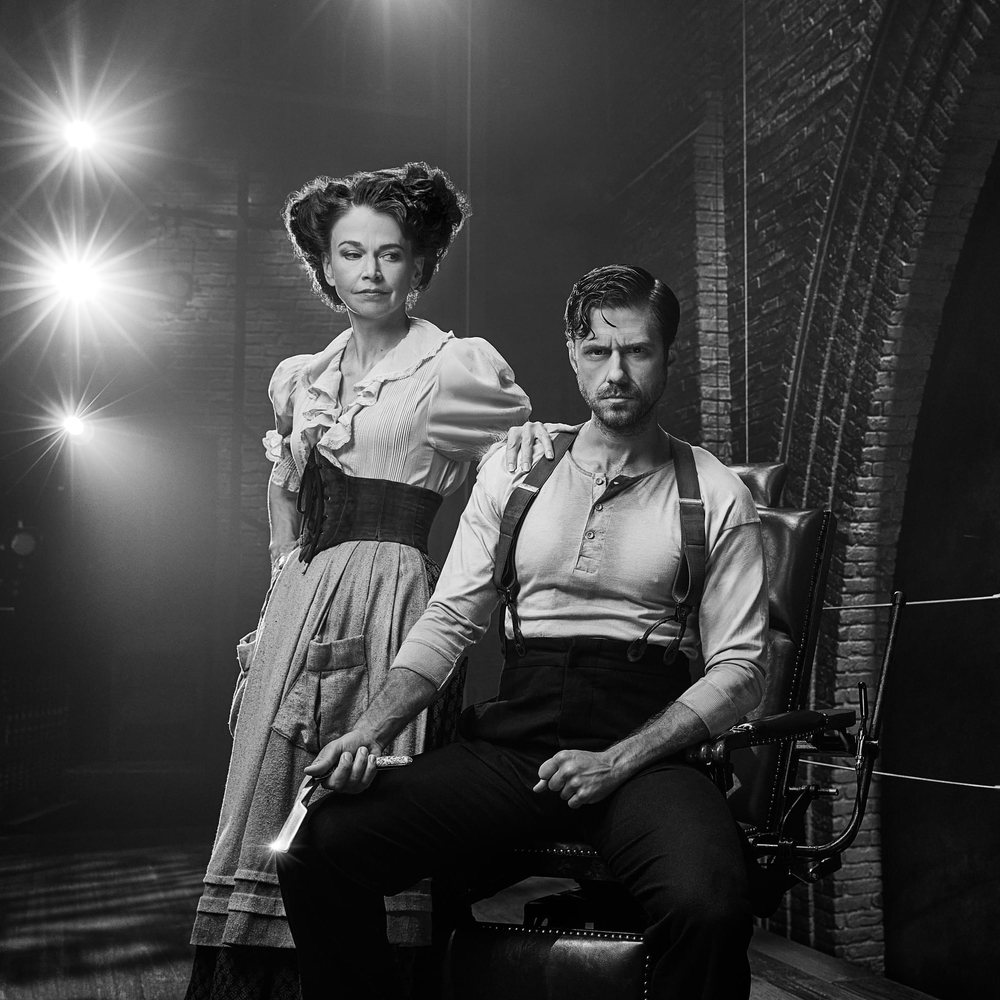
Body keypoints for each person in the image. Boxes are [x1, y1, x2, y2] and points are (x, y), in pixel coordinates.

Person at [276, 263, 770, 1000]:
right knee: (320, 847)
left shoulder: (717, 492)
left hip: (647, 752)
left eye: (637, 350)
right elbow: (451, 620)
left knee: (711, 908)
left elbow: (742, 669)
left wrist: (618, 761)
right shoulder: (519, 470)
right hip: (516, 744)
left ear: (668, 356)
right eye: (598, 351)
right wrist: (370, 731)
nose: (617, 372)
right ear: (573, 355)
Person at [186, 162, 554, 1000]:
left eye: (390, 254)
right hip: (300, 603)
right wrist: (280, 596)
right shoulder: (302, 377)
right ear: (326, 266)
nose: (371, 271)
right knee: (270, 809)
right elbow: (285, 496)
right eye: (351, 253)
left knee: (366, 802)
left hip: (394, 596)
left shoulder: (452, 367)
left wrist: (488, 581)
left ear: (419, 263)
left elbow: (516, 479)